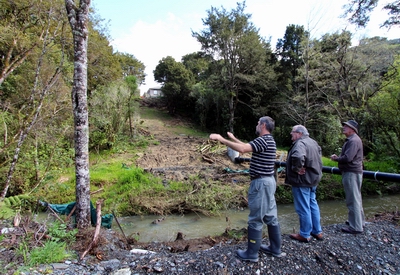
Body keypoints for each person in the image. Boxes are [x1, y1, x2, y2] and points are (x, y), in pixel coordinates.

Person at [209, 116, 283, 262]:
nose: (256, 125)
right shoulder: (269, 140)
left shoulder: (263, 140)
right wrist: (233, 138)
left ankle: (251, 254)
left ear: (262, 125)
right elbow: (246, 147)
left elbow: (243, 149)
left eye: (257, 123)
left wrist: (221, 139)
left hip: (261, 184)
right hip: (268, 182)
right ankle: (275, 249)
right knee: (271, 217)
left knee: (255, 219)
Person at [286, 125, 323, 243]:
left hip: (302, 180)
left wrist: (296, 169)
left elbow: (298, 156)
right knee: (313, 204)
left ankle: (305, 234)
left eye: (292, 132)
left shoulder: (300, 143)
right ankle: (317, 231)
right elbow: (319, 157)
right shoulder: (313, 142)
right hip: (313, 179)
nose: (291, 134)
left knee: (303, 207)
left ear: (299, 133)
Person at [330, 120, 365, 234]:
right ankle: (358, 222)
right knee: (356, 198)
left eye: (346, 126)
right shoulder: (353, 140)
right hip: (353, 172)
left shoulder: (353, 141)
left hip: (351, 172)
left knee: (352, 199)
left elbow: (348, 158)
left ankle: (356, 227)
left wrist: (336, 159)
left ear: (352, 129)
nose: (344, 127)